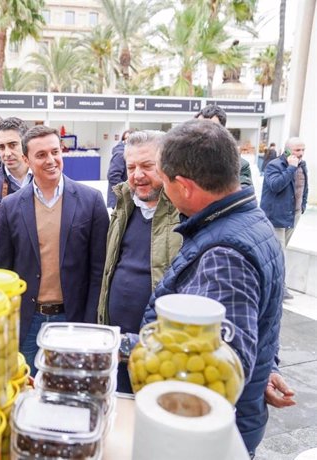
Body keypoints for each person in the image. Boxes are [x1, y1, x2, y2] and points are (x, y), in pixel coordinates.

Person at [140, 119, 295, 456]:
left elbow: (220, 367)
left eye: (165, 182)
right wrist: (268, 367)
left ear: (184, 186)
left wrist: (125, 348)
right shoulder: (249, 222)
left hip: (204, 438)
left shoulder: (224, 254)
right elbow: (257, 325)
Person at [0, 125, 109, 374]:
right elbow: (2, 271)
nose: (51, 160)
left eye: (55, 152)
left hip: (72, 319)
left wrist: (88, 323)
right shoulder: (11, 207)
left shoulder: (91, 201)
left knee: (68, 389)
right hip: (28, 321)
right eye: (41, 155)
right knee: (26, 387)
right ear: (26, 160)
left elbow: (99, 270)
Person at [96, 130, 182, 392]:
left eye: (147, 166)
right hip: (117, 340)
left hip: (161, 346)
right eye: (131, 167)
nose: (137, 175)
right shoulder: (123, 207)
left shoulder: (185, 215)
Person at [260, 137, 308, 300]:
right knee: (279, 253)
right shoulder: (275, 165)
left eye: (303, 150)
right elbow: (275, 185)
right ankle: (280, 288)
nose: (301, 154)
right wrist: (291, 168)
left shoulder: (302, 166)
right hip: (276, 217)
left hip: (293, 215)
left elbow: (303, 188)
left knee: (280, 251)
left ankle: (271, 284)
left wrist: (302, 206)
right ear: (287, 150)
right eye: (297, 150)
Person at [0, 117, 32, 256]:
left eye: (13, 145)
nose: (7, 153)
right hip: (2, 269)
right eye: (1, 147)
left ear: (25, 143)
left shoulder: (43, 181)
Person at [195, 104, 252, 188]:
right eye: (199, 126)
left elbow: (243, 195)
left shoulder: (239, 165)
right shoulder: (179, 159)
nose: (204, 132)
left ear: (223, 132)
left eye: (211, 127)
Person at [107, 129, 135, 209]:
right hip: (120, 199)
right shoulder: (120, 154)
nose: (129, 141)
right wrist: (126, 190)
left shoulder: (130, 152)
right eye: (126, 138)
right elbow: (113, 176)